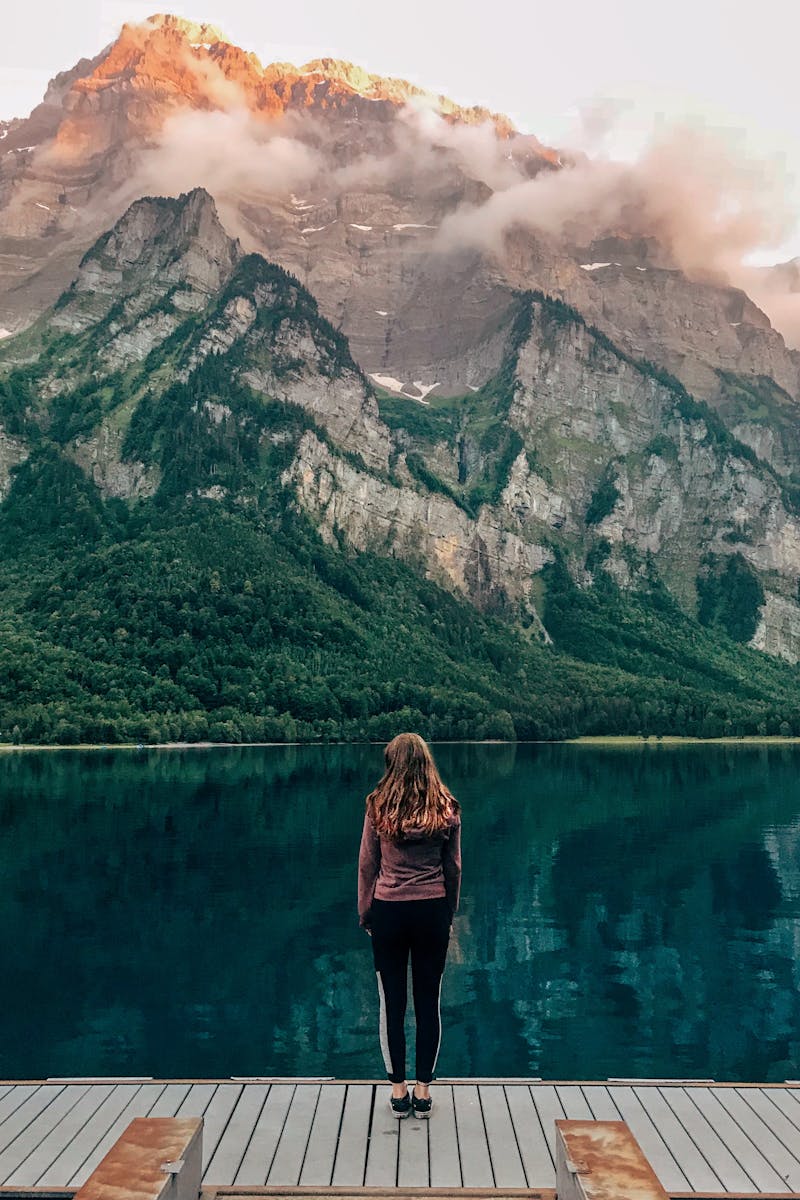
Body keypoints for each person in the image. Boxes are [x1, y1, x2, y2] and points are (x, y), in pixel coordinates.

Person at [357, 732, 461, 1119]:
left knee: (392, 1004)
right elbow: (453, 867)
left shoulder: (378, 807)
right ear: (426, 763)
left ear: (392, 764)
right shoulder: (446, 808)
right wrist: (448, 912)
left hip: (389, 911)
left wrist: (366, 912)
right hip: (432, 909)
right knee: (428, 1002)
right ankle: (424, 1090)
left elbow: (368, 864)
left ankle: (398, 1092)